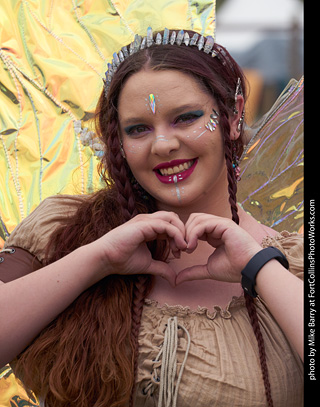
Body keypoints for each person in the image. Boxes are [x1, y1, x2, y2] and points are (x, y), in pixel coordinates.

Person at [0, 28, 303, 407]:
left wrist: (259, 265)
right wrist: (98, 259)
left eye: (186, 118)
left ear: (233, 115)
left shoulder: (294, 264)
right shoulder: (61, 228)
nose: (163, 144)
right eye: (138, 129)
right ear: (119, 141)